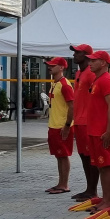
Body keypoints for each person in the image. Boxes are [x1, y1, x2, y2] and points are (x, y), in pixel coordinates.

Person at [85, 51, 110, 212]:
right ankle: (105, 199)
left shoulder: (106, 80)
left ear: (104, 63)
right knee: (101, 166)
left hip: (104, 132)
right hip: (95, 131)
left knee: (107, 166)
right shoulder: (97, 80)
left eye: (94, 61)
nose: (90, 63)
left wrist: (109, 131)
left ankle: (109, 201)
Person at [69, 44, 100, 202]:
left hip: (88, 121)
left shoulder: (91, 74)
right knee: (83, 156)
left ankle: (93, 190)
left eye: (77, 52)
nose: (74, 55)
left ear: (87, 55)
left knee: (91, 157)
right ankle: (89, 188)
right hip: (79, 121)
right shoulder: (79, 73)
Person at [44, 57, 74, 194]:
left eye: (53, 65)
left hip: (62, 126)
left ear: (61, 67)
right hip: (54, 125)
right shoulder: (55, 83)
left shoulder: (65, 85)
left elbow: (72, 106)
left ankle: (64, 184)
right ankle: (60, 183)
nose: (49, 67)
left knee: (63, 155)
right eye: (49, 65)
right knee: (58, 155)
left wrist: (67, 125)